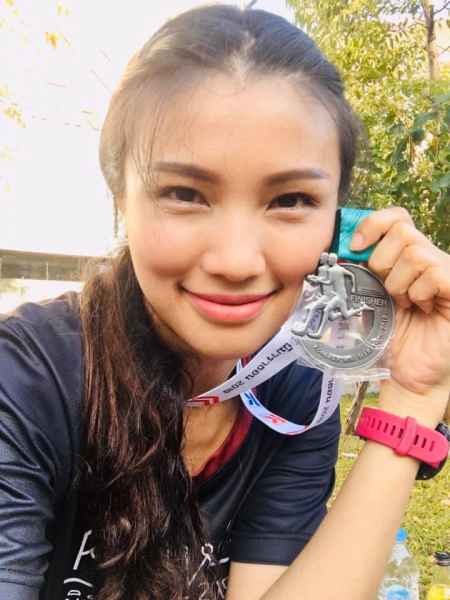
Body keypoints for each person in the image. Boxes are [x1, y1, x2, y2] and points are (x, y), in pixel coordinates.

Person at [0, 4, 449, 600]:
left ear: (337, 222)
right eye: (185, 193)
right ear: (120, 196)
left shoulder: (297, 390)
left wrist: (414, 398)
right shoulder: (27, 378)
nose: (237, 261)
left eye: (290, 200)